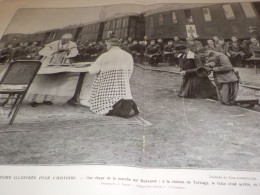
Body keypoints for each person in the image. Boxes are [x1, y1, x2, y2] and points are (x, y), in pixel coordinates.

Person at [80, 37, 139, 117]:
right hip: (122, 87)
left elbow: (92, 71)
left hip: (105, 88)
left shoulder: (104, 56)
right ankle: (120, 107)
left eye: (107, 45)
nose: (106, 47)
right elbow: (130, 71)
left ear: (110, 44)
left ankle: (108, 107)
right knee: (122, 94)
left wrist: (89, 67)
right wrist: (123, 79)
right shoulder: (128, 55)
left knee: (99, 94)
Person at [27, 33, 78, 107]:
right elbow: (41, 52)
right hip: (47, 63)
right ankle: (35, 100)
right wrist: (53, 52)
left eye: (67, 40)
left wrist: (68, 52)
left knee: (53, 82)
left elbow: (75, 53)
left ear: (70, 40)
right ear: (61, 38)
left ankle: (48, 99)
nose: (65, 41)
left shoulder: (72, 45)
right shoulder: (54, 43)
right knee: (42, 82)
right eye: (64, 39)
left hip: (60, 64)